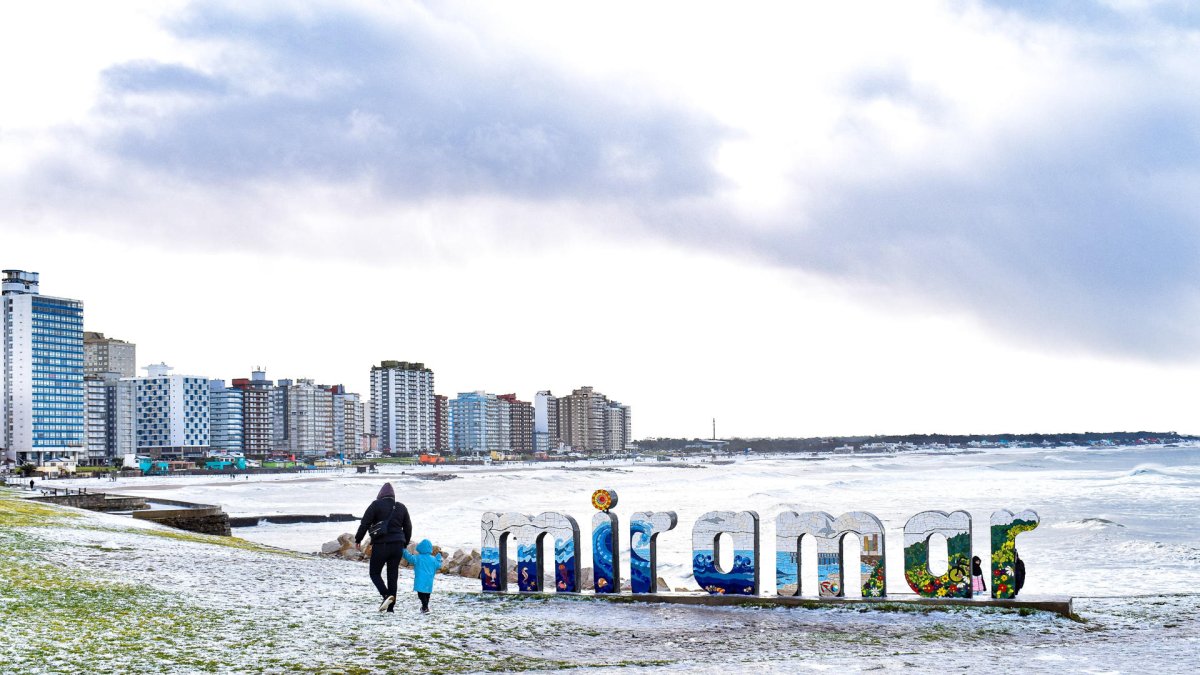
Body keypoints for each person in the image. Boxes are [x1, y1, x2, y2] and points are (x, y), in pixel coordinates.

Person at [355, 482, 412, 612]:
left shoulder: (376, 505)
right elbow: (408, 527)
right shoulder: (401, 507)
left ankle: (386, 595)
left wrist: (358, 539)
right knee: (392, 576)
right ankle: (390, 608)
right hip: (397, 545)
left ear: (380, 494)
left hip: (381, 545)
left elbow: (365, 523)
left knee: (374, 573)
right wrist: (404, 543)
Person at [403, 539, 444, 614]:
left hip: (420, 581)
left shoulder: (417, 558)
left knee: (421, 595)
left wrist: (403, 550)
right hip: (429, 581)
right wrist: (439, 556)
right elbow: (439, 565)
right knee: (427, 595)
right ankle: (425, 607)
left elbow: (409, 557)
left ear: (420, 548)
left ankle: (425, 607)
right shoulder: (433, 559)